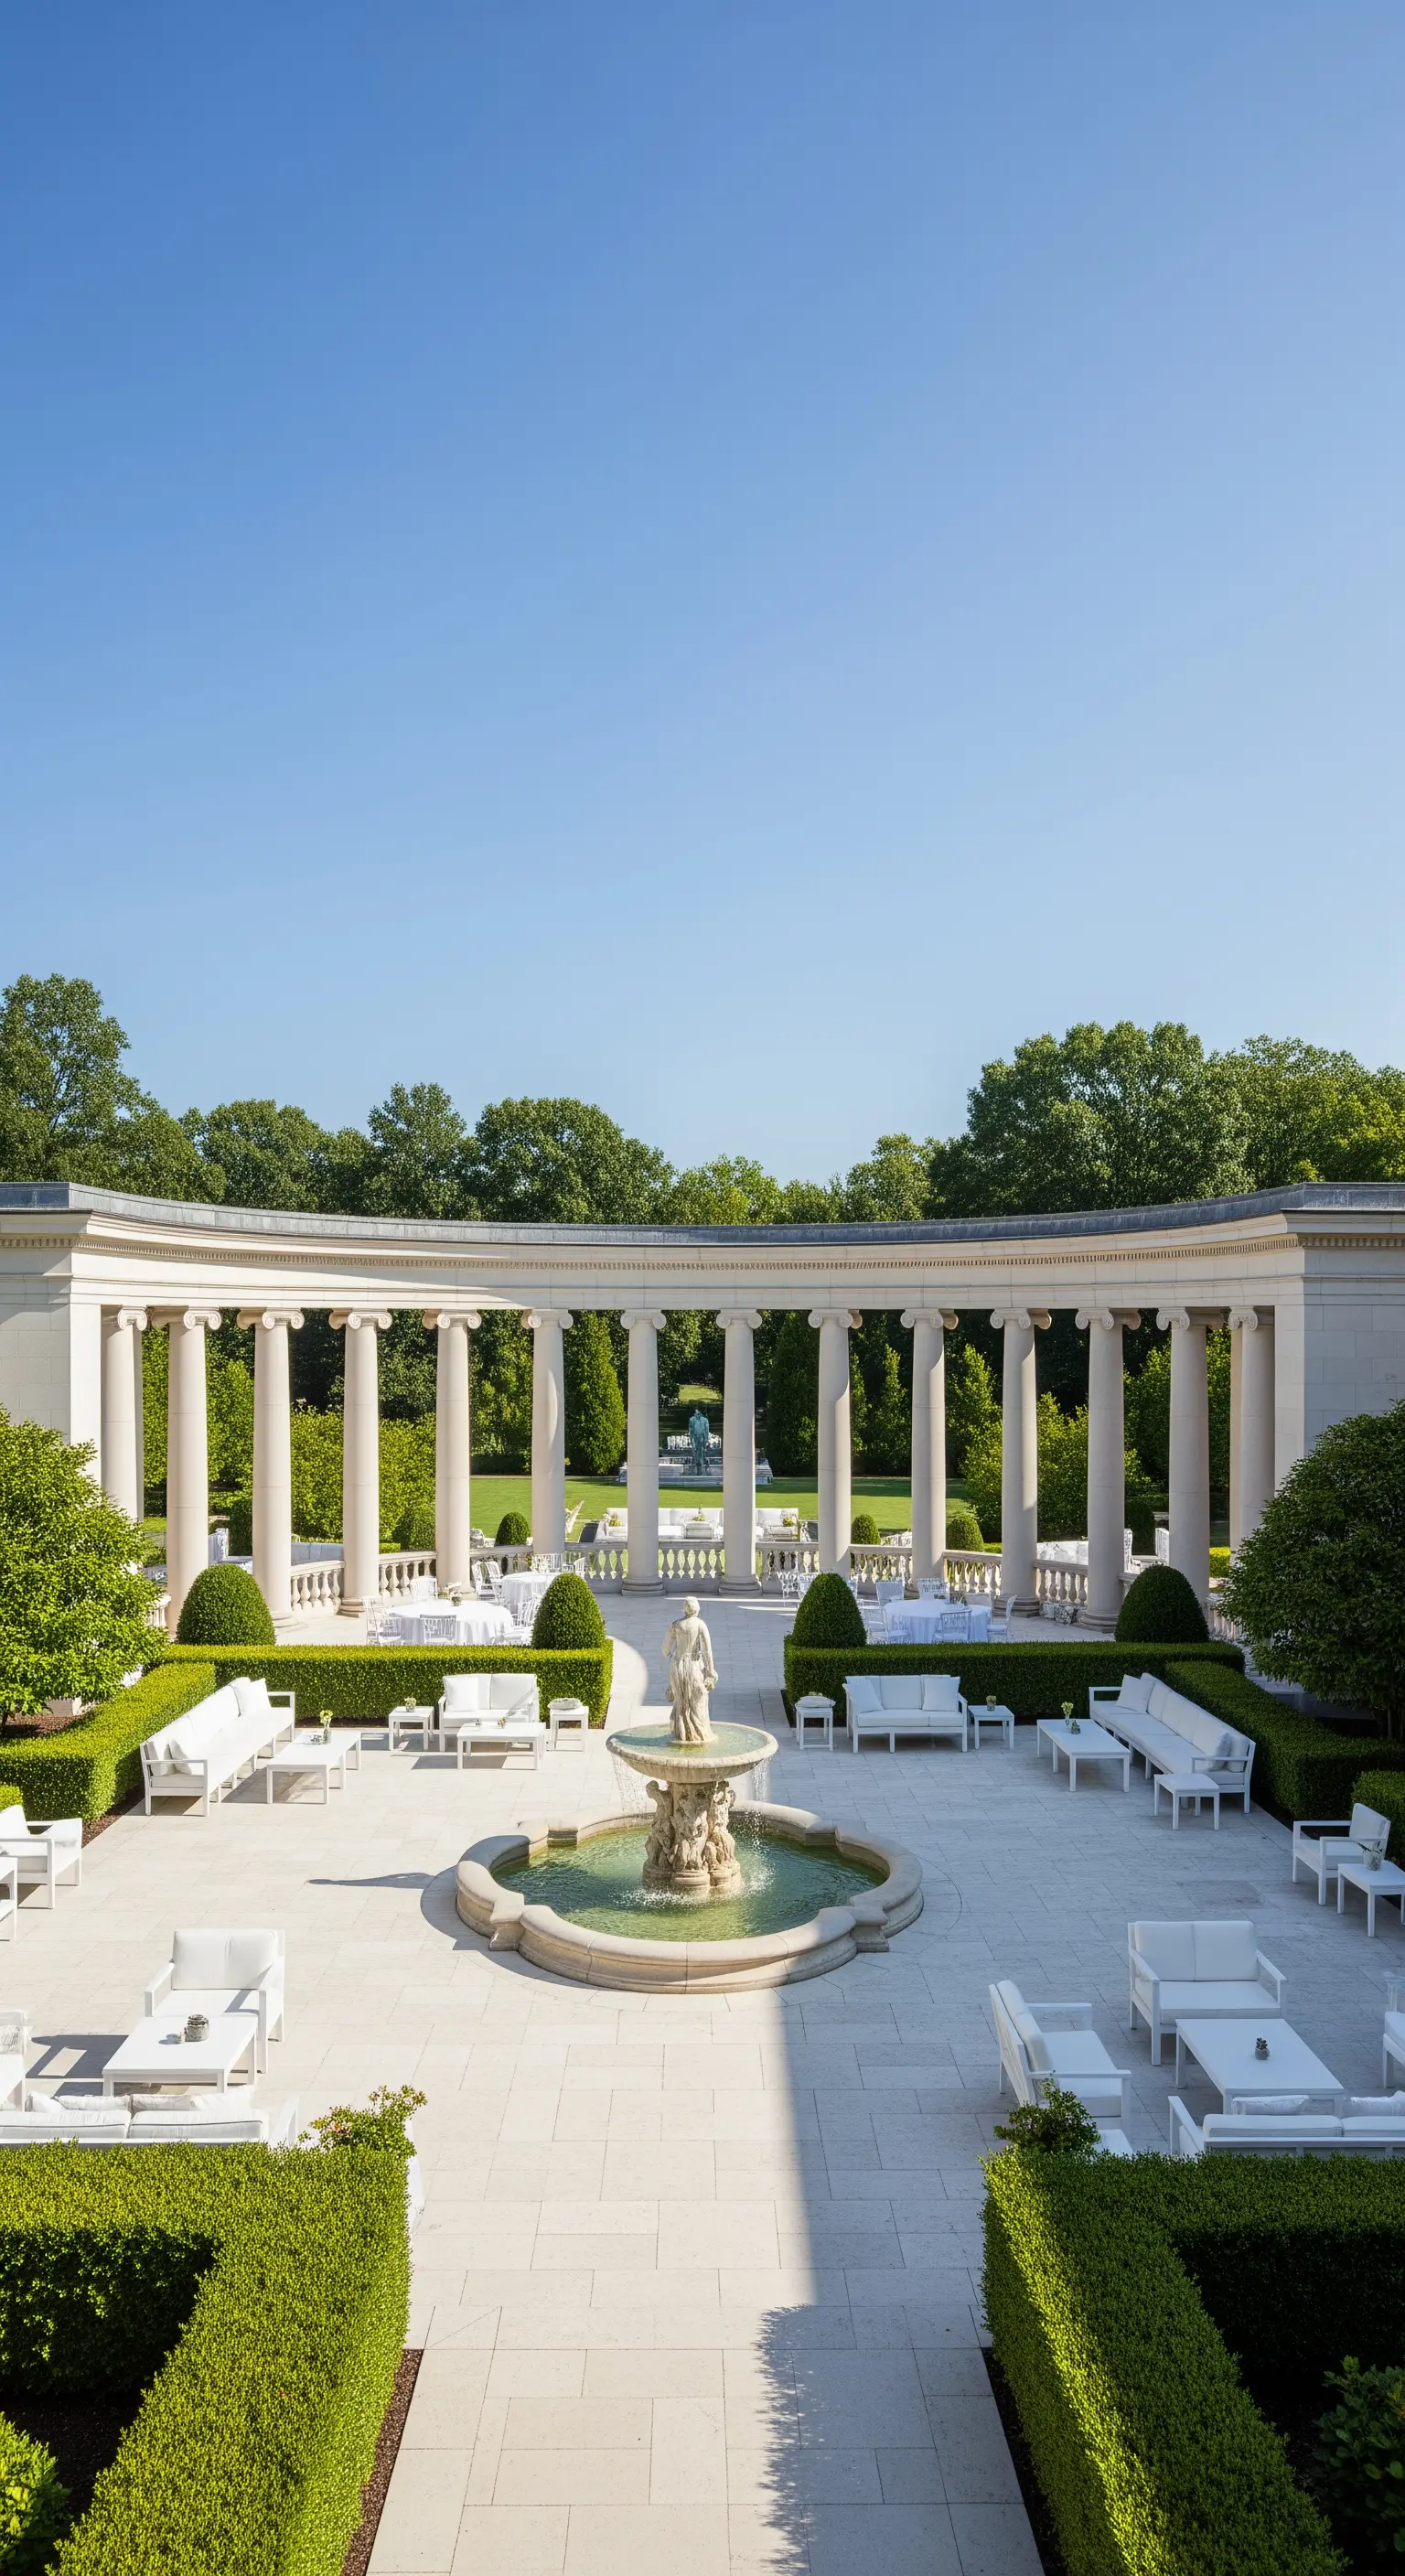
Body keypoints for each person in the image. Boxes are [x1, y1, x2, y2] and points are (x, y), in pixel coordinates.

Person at [662, 1595, 718, 1743]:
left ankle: (681, 1734)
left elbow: (665, 1648)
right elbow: (707, 1651)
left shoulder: (676, 1625)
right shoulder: (700, 1625)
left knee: (681, 1701)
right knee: (698, 1700)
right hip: (694, 1665)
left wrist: (670, 1653)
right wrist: (711, 1670)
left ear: (684, 1610)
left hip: (678, 1664)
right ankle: (698, 1735)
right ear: (697, 1610)